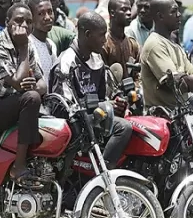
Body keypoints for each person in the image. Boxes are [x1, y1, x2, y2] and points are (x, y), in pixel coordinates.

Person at [0, 3, 46, 187]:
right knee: (31, 98)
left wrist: (32, 85)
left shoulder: (28, 46)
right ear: (7, 22)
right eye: (19, 21)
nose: (25, 26)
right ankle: (18, 168)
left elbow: (42, 84)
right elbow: (17, 82)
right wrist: (23, 48)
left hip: (9, 108)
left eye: (29, 22)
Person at [50, 12, 132, 168]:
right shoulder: (66, 62)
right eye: (101, 35)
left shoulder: (97, 59)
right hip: (73, 123)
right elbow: (64, 108)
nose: (105, 40)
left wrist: (116, 103)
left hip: (95, 118)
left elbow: (105, 95)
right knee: (123, 128)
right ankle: (104, 172)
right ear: (87, 35)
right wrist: (100, 107)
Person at [140, 0, 193, 110]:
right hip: (161, 117)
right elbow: (175, 84)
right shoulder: (155, 44)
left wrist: (182, 77)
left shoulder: (176, 47)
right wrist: (184, 78)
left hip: (180, 115)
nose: (179, 15)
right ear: (160, 16)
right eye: (173, 12)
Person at [102, 0, 140, 79]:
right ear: (112, 13)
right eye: (124, 9)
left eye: (129, 9)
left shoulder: (133, 44)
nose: (129, 13)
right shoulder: (104, 44)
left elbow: (138, 75)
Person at [26, 0, 58, 84]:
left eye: (50, 12)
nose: (48, 17)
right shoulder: (28, 44)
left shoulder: (51, 44)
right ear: (31, 17)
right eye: (41, 14)